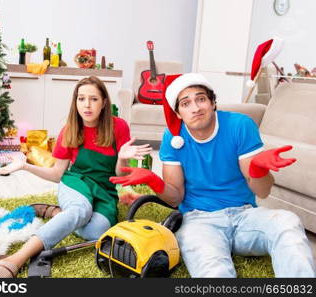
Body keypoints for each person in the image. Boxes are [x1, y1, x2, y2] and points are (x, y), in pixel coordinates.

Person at [110, 73, 316, 278]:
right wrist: (152, 179)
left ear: (212, 103)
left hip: (245, 217)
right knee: (213, 271)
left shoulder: (239, 126)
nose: (196, 107)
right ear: (178, 113)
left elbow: (262, 191)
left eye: (201, 99)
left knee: (287, 222)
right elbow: (175, 197)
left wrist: (259, 170)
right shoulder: (173, 138)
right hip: (199, 221)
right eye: (185, 103)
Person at [0, 76, 152, 277]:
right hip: (76, 183)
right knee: (81, 210)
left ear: (104, 102)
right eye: (81, 99)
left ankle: (58, 214)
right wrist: (24, 166)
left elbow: (119, 174)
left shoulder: (119, 127)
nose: (87, 105)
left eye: (93, 99)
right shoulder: (69, 130)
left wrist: (123, 159)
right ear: (75, 102)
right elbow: (57, 174)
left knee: (97, 232)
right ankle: (16, 258)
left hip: (105, 190)